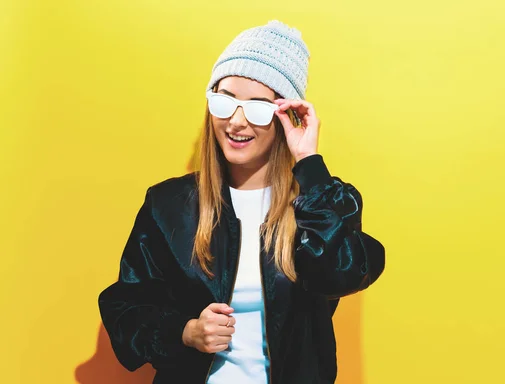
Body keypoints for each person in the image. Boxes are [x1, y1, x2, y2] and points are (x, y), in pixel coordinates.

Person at [98, 20, 385, 384]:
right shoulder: (168, 205)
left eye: (259, 107)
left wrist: (309, 164)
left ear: (287, 115)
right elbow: (126, 306)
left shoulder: (320, 202)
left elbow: (341, 273)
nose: (236, 120)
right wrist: (186, 332)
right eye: (225, 100)